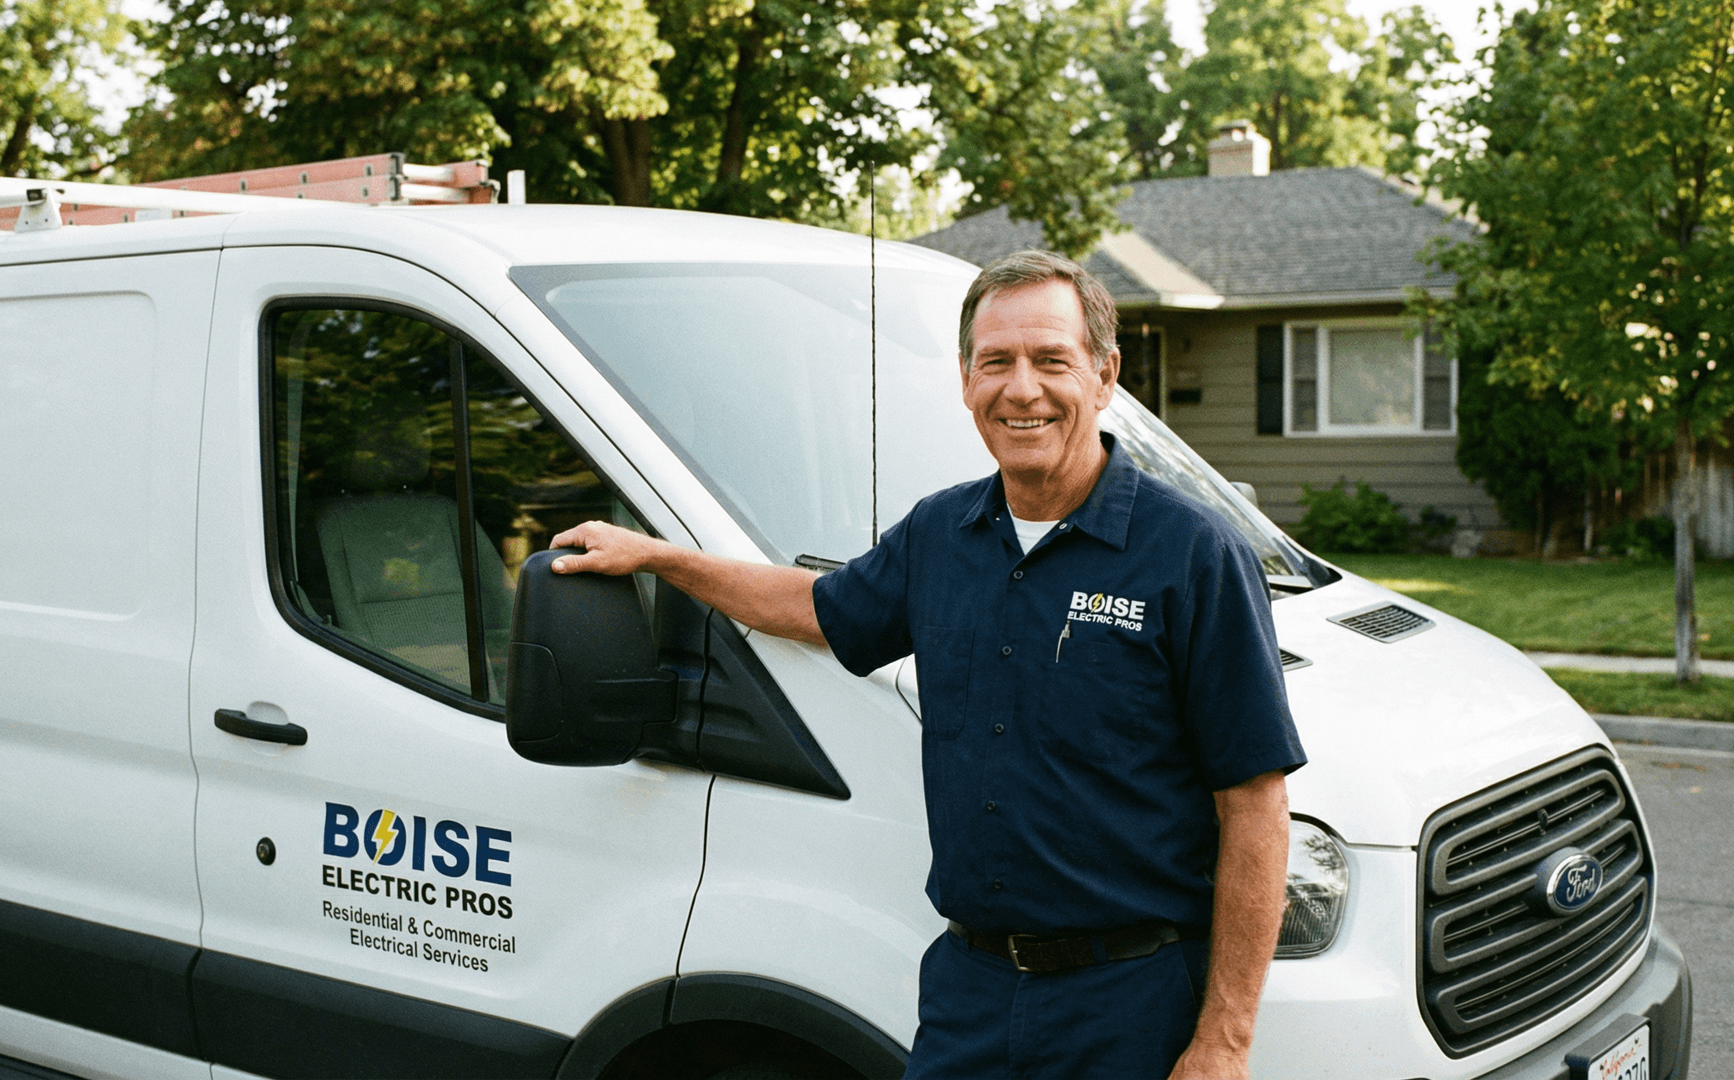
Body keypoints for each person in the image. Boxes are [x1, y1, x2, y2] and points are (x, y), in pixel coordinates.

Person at [549, 250, 1305, 1080]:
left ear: (1104, 374)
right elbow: (813, 607)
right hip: (968, 997)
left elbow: (1256, 807)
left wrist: (1224, 1041)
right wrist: (658, 557)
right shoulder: (941, 536)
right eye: (997, 363)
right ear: (964, 379)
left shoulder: (1193, 555)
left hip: (1131, 1006)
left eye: (1052, 360)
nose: (1022, 389)